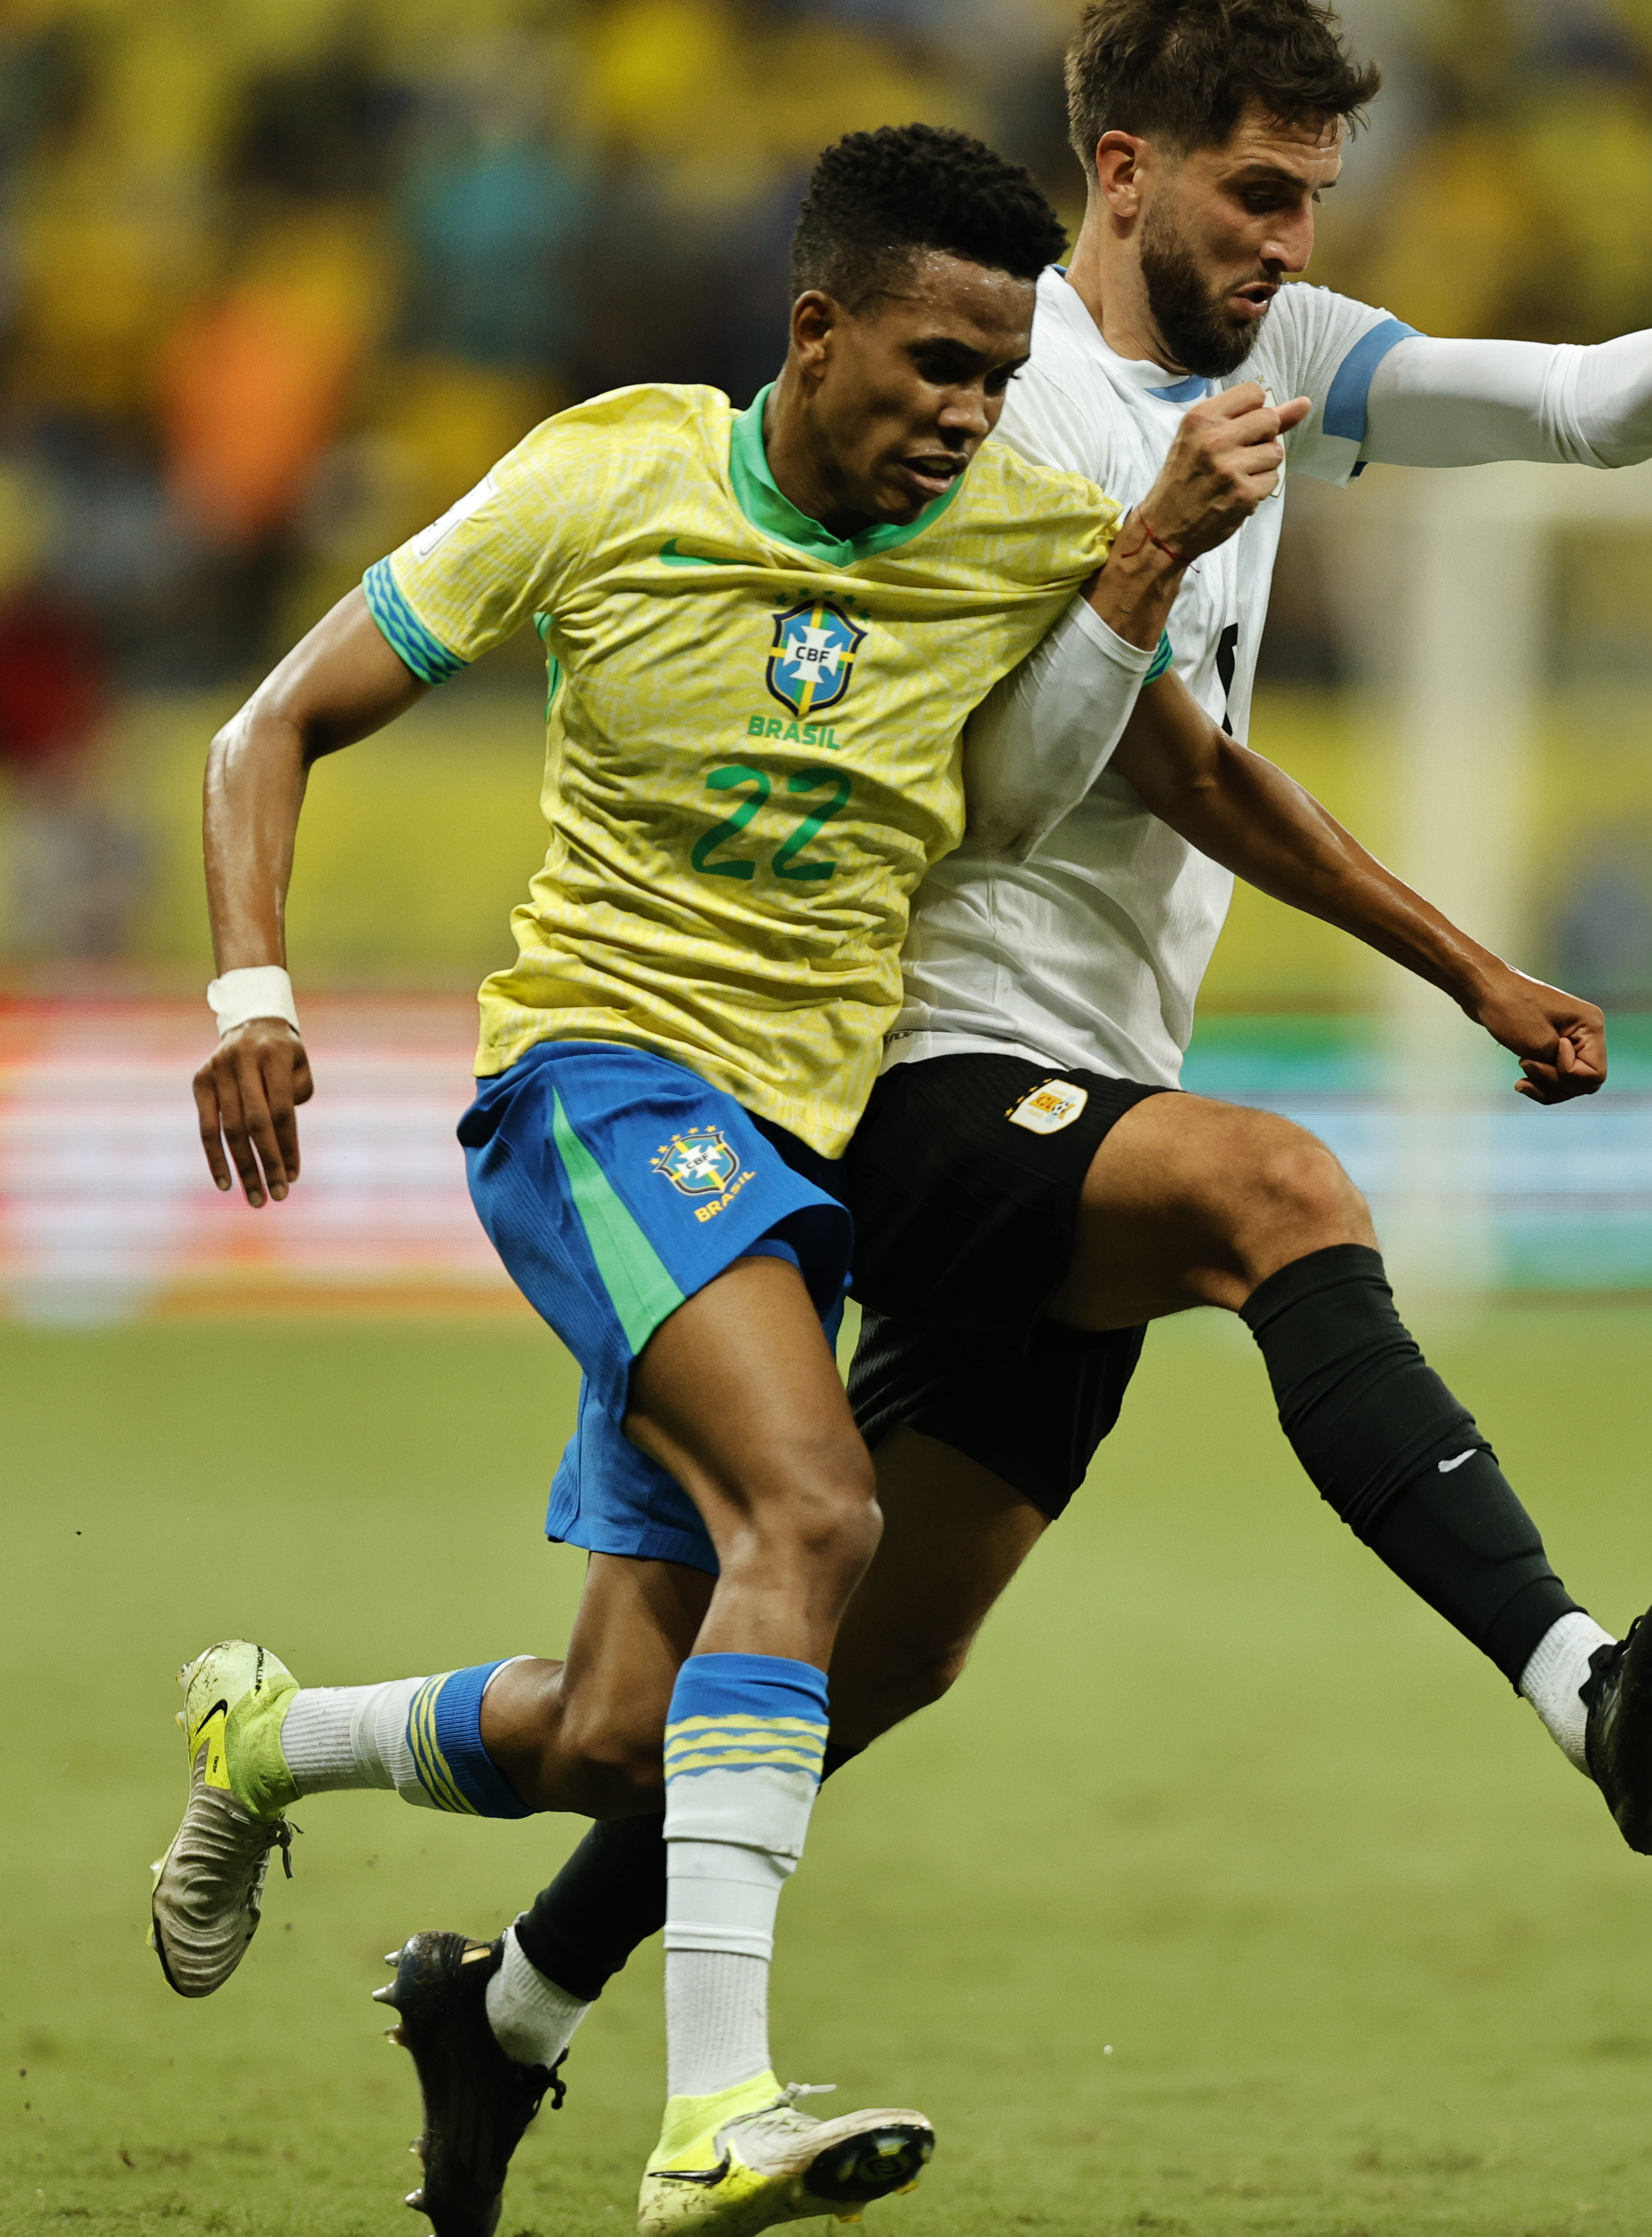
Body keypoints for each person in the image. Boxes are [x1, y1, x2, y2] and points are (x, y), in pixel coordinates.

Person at [154, 122, 1294, 2237]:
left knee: (617, 1730)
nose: (965, 415)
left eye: (999, 370)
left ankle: (273, 1744)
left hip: (792, 1158)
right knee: (822, 1509)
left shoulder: (1031, 531)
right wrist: (248, 987)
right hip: (592, 1091)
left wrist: (1475, 968)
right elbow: (267, 728)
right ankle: (712, 2114)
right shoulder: (609, 479)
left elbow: (1196, 774)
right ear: (816, 327)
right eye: (936, 363)